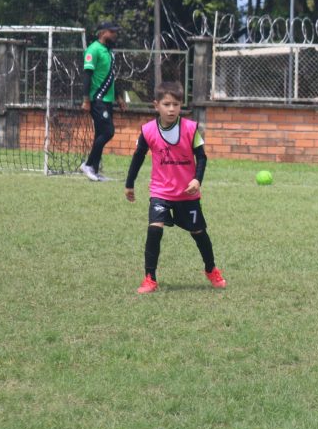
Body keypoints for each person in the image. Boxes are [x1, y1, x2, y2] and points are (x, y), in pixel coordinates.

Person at [124, 81, 226, 294]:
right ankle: (150, 278)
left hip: (187, 193)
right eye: (166, 104)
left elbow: (202, 157)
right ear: (156, 105)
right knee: (154, 229)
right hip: (160, 191)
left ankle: (211, 269)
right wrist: (129, 183)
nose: (171, 109)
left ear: (181, 106)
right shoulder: (148, 131)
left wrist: (197, 180)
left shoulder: (190, 129)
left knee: (199, 232)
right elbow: (138, 156)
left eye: (176, 104)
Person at [80, 20, 125, 181]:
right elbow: (87, 76)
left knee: (100, 133)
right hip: (96, 99)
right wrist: (86, 99)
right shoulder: (93, 49)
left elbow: (111, 76)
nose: (115, 34)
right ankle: (88, 165)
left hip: (108, 99)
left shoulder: (109, 52)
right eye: (112, 32)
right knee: (108, 132)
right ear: (102, 33)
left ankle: (94, 169)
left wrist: (118, 97)